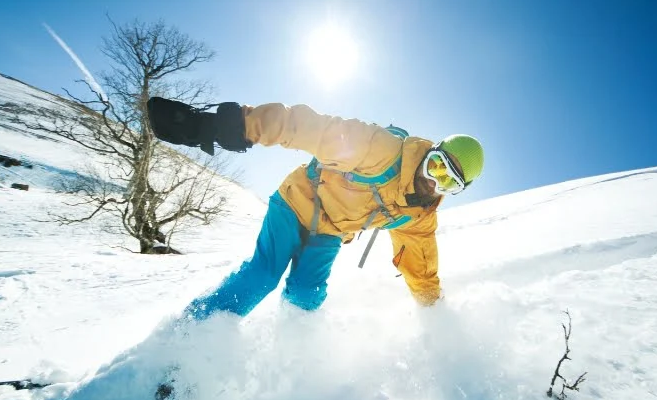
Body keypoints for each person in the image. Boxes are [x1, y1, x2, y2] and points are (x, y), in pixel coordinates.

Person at [146, 98, 484, 320]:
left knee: (307, 295)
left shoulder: (419, 216)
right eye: (437, 166)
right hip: (296, 203)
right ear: (431, 152)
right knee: (263, 275)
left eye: (448, 182)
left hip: (329, 232)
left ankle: (289, 351)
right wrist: (227, 126)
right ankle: (190, 338)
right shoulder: (382, 149)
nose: (433, 180)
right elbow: (309, 129)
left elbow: (420, 266)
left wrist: (435, 312)